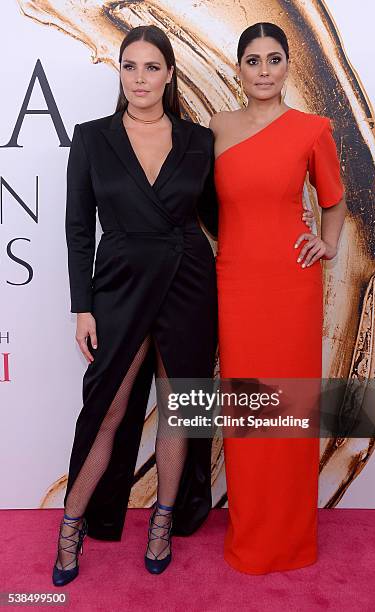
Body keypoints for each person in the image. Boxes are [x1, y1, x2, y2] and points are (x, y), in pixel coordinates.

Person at [52, 25, 219, 585]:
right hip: (119, 285)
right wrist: (83, 305)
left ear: (170, 74)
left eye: (152, 67)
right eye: (130, 66)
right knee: (107, 410)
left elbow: (222, 218)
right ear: (119, 72)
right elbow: (79, 229)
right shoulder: (93, 137)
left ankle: (164, 520)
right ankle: (72, 524)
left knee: (179, 408)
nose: (140, 78)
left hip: (188, 280)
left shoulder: (199, 140)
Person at [210, 22, 347, 574]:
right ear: (237, 68)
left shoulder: (313, 129)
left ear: (288, 65)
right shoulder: (216, 128)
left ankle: (292, 539)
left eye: (273, 59)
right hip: (236, 284)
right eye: (252, 60)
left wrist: (328, 242)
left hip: (291, 285)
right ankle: (252, 537)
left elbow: (333, 201)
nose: (263, 71)